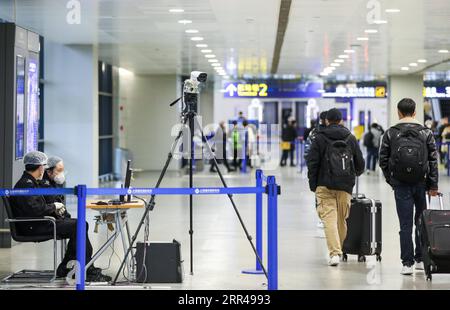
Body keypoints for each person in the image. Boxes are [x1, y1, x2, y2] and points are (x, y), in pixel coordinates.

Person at [10, 151, 111, 282]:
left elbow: (38, 207)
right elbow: (35, 210)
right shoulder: (26, 184)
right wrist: (54, 207)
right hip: (34, 226)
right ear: (41, 168)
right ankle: (81, 268)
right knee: (78, 225)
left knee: (80, 224)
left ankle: (73, 266)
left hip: (38, 223)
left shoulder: (31, 182)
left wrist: (56, 209)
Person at [379, 98, 439, 275]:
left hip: (401, 185)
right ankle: (420, 259)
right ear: (414, 112)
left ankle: (407, 263)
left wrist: (392, 181)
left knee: (405, 224)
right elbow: (433, 160)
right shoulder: (426, 133)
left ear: (398, 112)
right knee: (421, 222)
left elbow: (383, 160)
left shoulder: (390, 133)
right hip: (421, 183)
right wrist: (433, 185)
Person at [306, 108, 365, 266]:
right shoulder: (350, 138)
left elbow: (312, 163)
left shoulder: (319, 138)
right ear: (341, 121)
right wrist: (355, 173)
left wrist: (314, 184)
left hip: (324, 184)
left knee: (329, 220)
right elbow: (360, 163)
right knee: (341, 220)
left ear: (326, 121)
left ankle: (335, 253)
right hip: (345, 185)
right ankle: (338, 249)